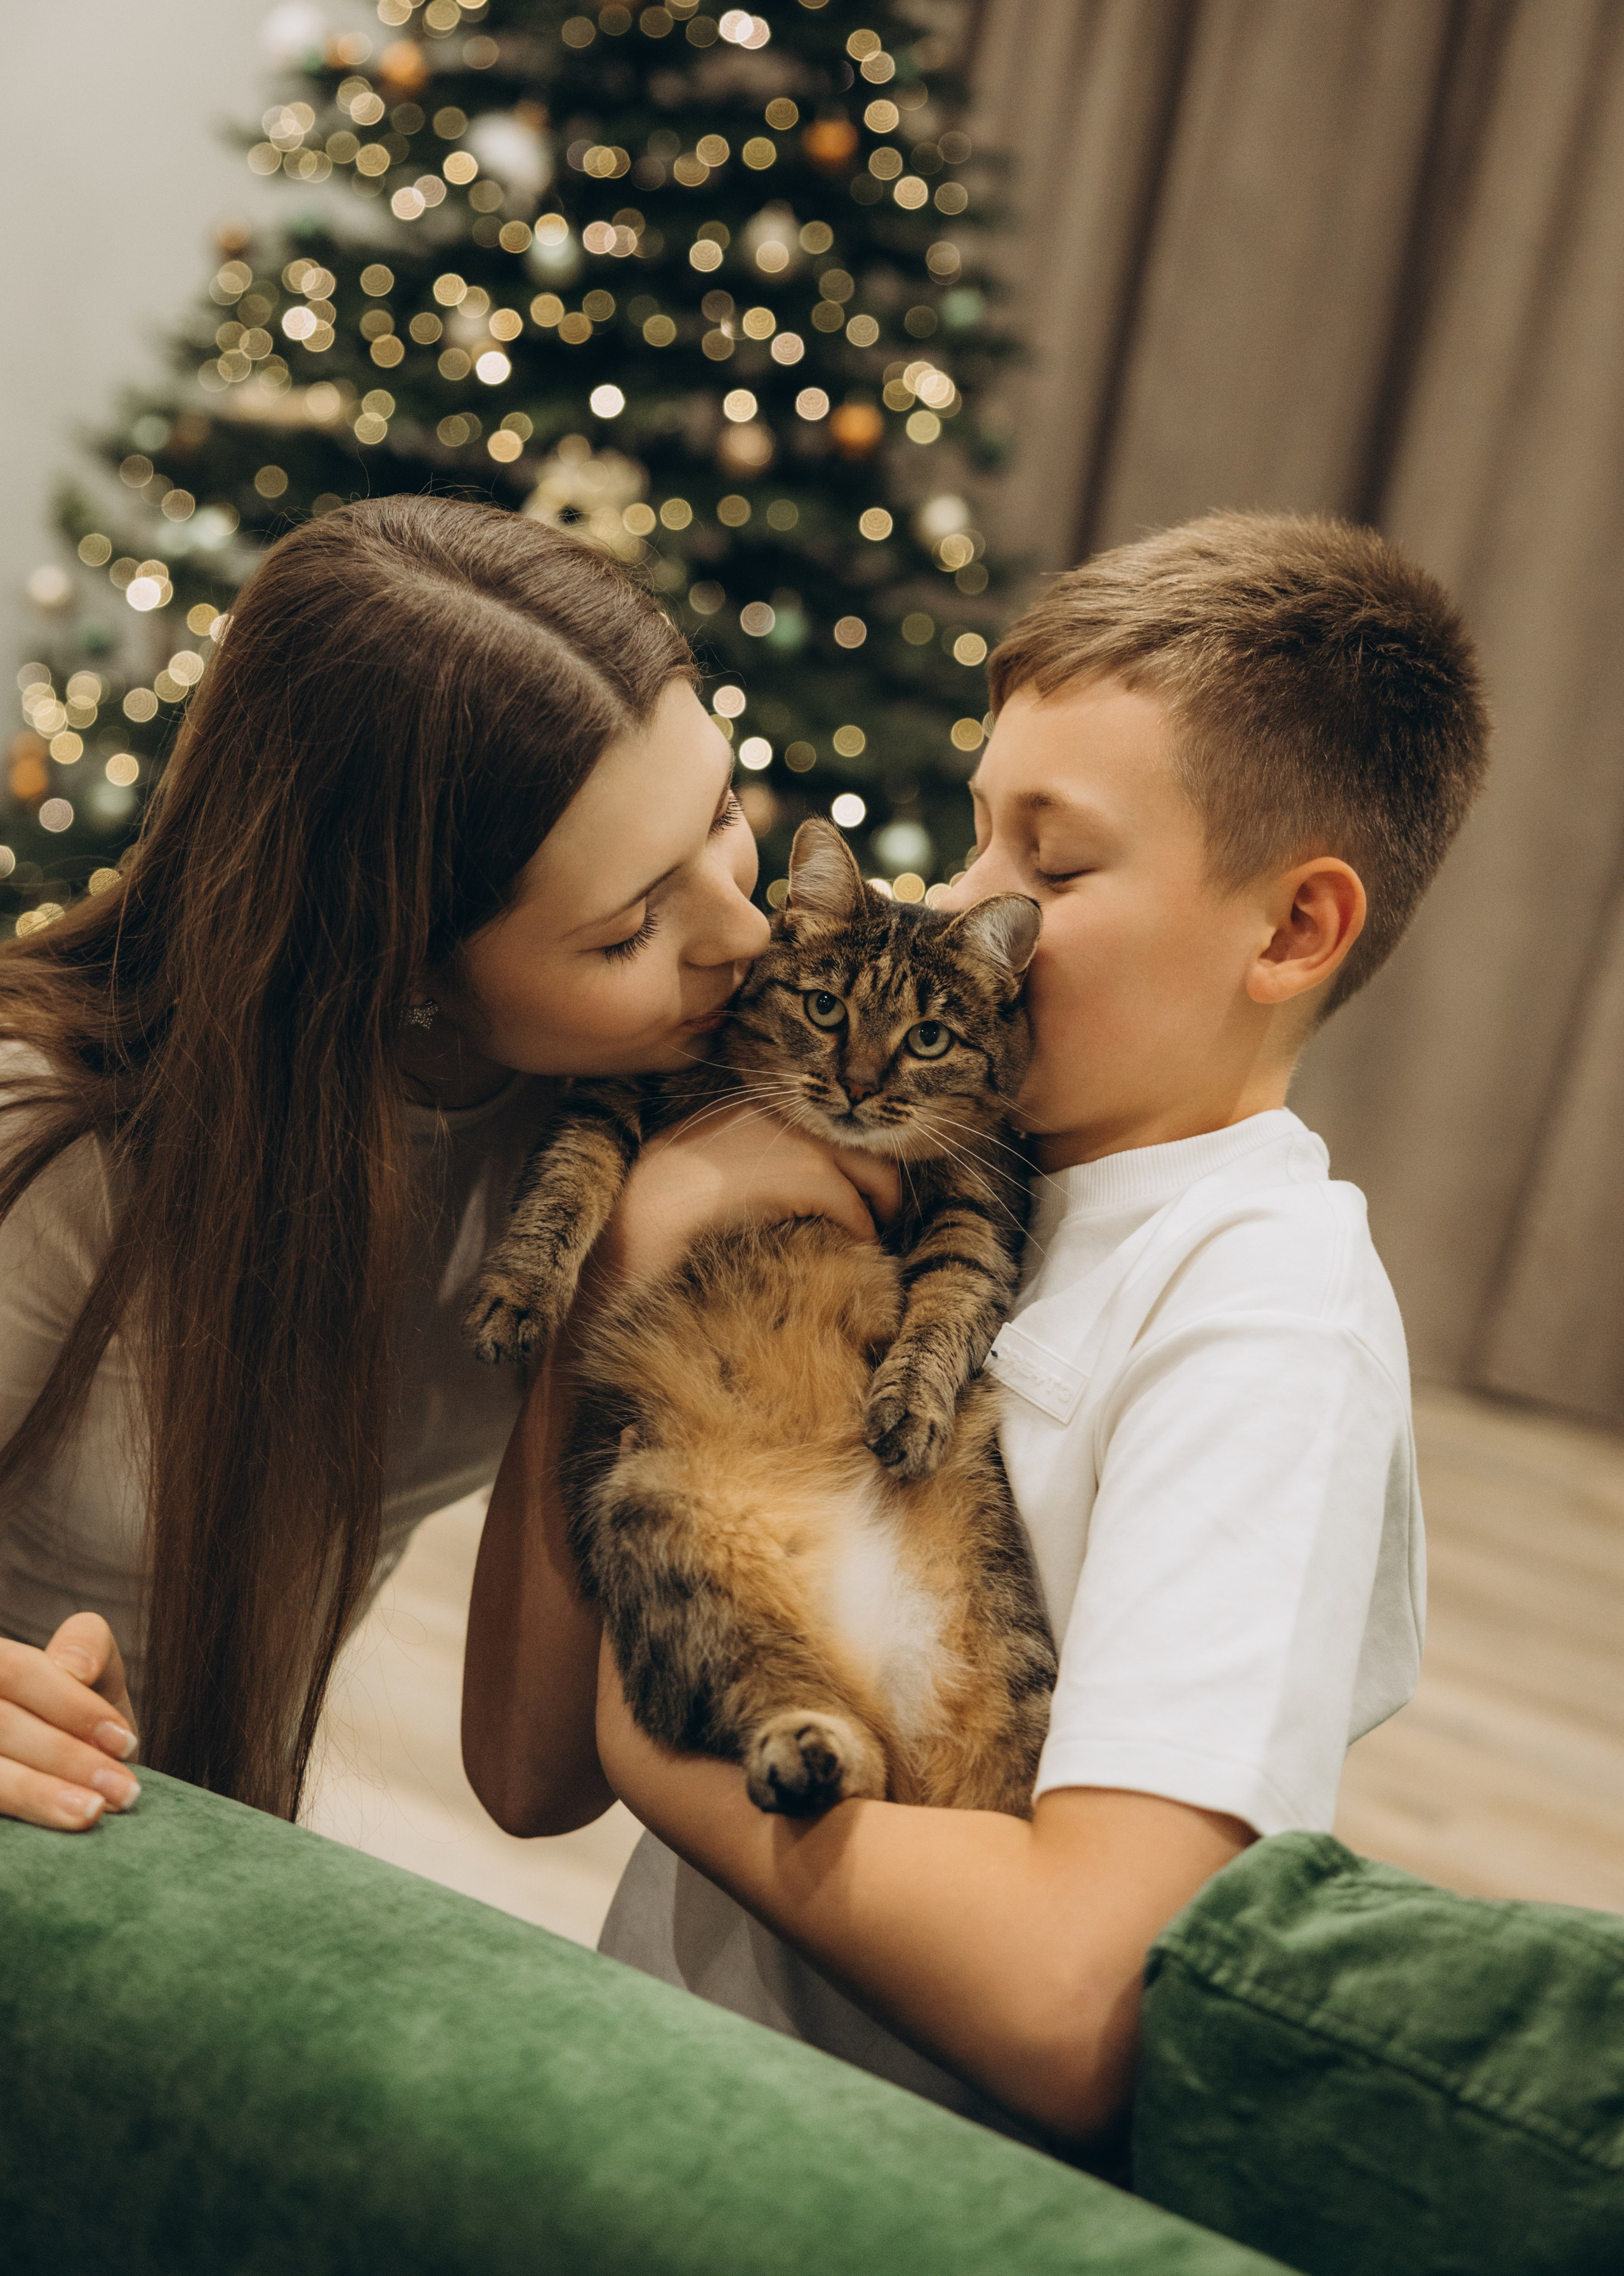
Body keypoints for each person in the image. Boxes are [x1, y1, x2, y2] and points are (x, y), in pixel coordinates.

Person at [461, 510, 1491, 2154]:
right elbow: (518, 1777)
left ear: (1290, 931)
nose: (962, 898)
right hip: (650, 2093)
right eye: (976, 830)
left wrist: (654, 1740)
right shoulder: (886, 1154)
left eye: (1052, 862)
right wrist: (636, 1254)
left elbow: (1082, 2000)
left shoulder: (1263, 1319)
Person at [0, 493, 783, 1831]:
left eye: (721, 817)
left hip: (205, 1851)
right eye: (628, 927)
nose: (742, 933)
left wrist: (644, 1243)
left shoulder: (635, 1102)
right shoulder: (55, 1138)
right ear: (403, 971)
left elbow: (539, 1782)